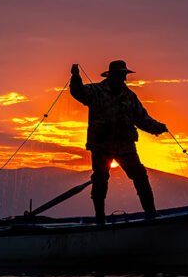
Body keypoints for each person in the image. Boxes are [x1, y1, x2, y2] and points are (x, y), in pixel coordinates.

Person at [70, 60, 167, 225]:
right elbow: (78, 92)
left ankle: (151, 214)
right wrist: (75, 77)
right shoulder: (96, 91)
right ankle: (100, 218)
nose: (122, 79)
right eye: (120, 75)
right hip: (101, 146)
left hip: (125, 146)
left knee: (140, 176)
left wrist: (158, 127)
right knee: (100, 179)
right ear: (111, 75)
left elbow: (142, 118)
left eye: (124, 76)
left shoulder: (130, 96)